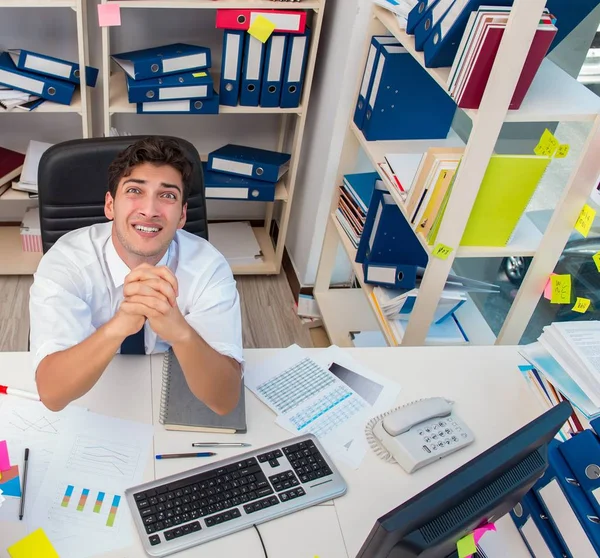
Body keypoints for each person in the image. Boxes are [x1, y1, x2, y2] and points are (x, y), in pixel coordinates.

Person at [29, 137, 242, 415]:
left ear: (182, 216)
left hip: (173, 384)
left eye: (167, 196)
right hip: (95, 392)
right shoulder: (66, 262)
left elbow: (225, 400)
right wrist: (120, 325)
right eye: (134, 191)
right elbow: (53, 395)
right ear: (109, 205)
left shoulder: (208, 266)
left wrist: (182, 334)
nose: (150, 211)